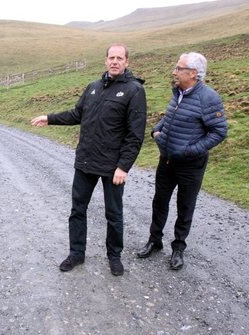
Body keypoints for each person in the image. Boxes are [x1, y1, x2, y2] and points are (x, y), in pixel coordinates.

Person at [31, 43, 147, 276]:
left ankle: (114, 256)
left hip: (112, 167)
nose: (115, 61)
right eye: (111, 57)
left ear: (127, 62)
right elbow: (77, 114)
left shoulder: (134, 90)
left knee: (113, 214)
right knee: (77, 210)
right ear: (105, 61)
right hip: (85, 161)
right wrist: (49, 118)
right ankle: (76, 254)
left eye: (119, 58)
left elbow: (135, 134)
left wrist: (123, 166)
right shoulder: (93, 87)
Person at [137, 52, 227, 270]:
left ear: (193, 73)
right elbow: (170, 116)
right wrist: (156, 131)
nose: (174, 72)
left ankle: (178, 248)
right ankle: (154, 241)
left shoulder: (209, 98)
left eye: (179, 68)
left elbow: (219, 132)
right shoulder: (178, 92)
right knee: (160, 202)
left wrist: (190, 151)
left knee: (185, 206)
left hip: (190, 165)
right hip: (166, 161)